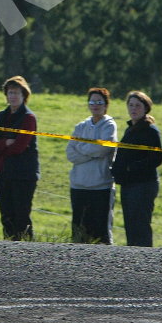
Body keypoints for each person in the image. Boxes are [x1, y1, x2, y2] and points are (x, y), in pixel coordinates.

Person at [0, 76, 40, 241]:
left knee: (21, 217)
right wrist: (6, 143)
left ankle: (27, 248)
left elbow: (19, 147)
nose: (13, 96)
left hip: (23, 175)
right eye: (10, 93)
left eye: (16, 93)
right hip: (2, 172)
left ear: (24, 95)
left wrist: (1, 145)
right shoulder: (1, 116)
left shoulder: (29, 118)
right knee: (6, 216)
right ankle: (7, 247)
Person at [66, 87, 117, 244]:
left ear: (106, 105)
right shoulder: (80, 126)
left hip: (100, 187)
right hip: (78, 186)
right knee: (79, 233)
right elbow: (70, 153)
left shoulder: (109, 125)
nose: (95, 105)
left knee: (100, 234)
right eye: (92, 102)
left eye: (99, 102)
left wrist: (81, 147)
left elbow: (103, 148)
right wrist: (91, 151)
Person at [112, 91, 162, 247]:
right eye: (131, 105)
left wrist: (130, 168)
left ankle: (145, 256)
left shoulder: (150, 130)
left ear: (146, 108)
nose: (134, 109)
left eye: (138, 106)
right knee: (130, 224)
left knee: (140, 225)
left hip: (143, 185)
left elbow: (156, 158)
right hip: (128, 184)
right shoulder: (130, 129)